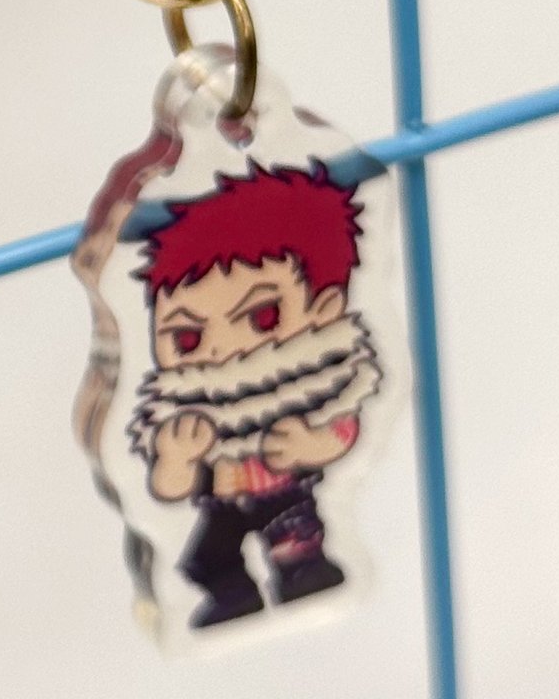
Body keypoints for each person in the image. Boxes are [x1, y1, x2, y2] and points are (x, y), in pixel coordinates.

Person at [132, 162, 379, 627]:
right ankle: (233, 596)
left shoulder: (313, 384)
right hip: (222, 501)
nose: (223, 349)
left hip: (284, 494)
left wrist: (312, 445)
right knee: (208, 559)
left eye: (263, 316)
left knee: (296, 544)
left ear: (325, 307)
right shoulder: (182, 414)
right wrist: (177, 459)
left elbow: (343, 427)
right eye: (187, 337)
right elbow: (168, 486)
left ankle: (303, 573)